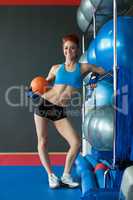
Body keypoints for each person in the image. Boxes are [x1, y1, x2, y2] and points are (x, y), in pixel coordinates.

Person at [30, 34, 105, 189]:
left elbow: (102, 70)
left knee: (76, 142)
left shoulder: (83, 67)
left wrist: (94, 77)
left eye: (72, 48)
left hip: (59, 111)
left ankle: (65, 175)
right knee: (42, 141)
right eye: (66, 48)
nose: (68, 51)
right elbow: (43, 84)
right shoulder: (56, 68)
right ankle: (51, 175)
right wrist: (32, 91)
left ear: (77, 50)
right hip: (44, 103)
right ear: (63, 50)